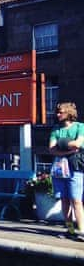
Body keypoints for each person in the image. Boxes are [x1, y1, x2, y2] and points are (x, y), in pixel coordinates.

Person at [48, 102, 84, 238]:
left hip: (76, 168)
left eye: (60, 112)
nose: (57, 114)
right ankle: (70, 230)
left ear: (69, 113)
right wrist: (68, 149)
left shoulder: (80, 127)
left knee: (76, 200)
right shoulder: (56, 129)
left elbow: (78, 144)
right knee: (64, 200)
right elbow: (51, 149)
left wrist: (61, 144)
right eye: (57, 112)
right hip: (60, 169)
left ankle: (82, 231)